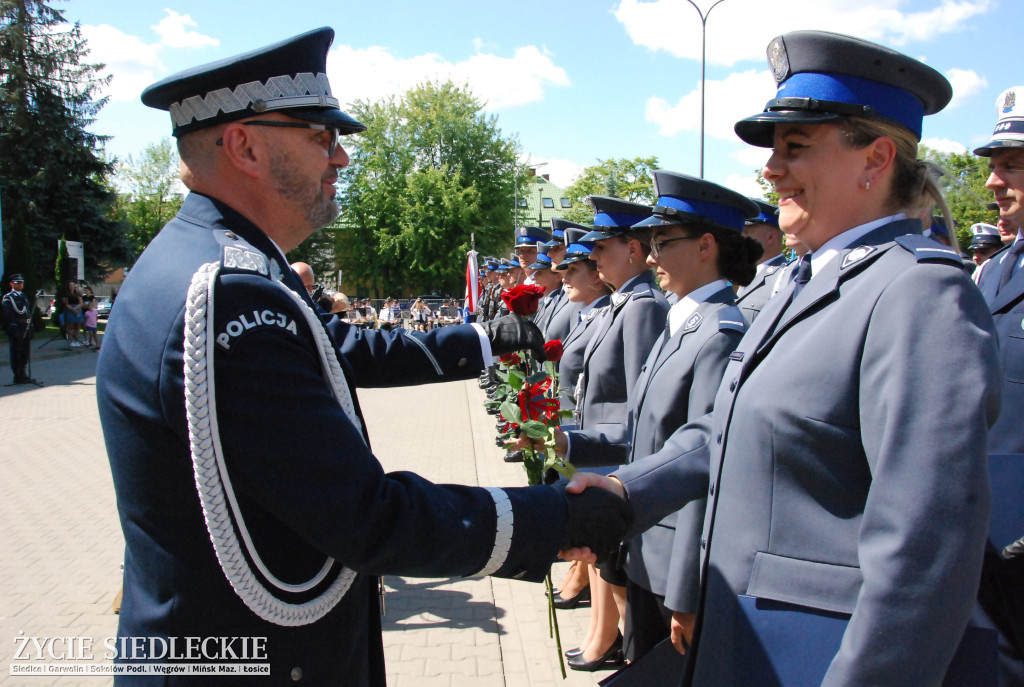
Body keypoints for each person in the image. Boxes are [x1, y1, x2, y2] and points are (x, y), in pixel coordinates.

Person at [96, 28, 630, 685]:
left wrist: (486, 339)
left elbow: (338, 349)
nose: (342, 157)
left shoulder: (220, 263)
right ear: (245, 145)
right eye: (321, 136)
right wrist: (559, 517)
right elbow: (367, 518)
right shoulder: (230, 292)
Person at [569, 30, 1001, 686]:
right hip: (747, 642)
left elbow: (924, 554)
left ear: (875, 159)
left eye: (795, 148)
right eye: (774, 152)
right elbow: (725, 429)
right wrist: (627, 488)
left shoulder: (919, 293)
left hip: (820, 657)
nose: (771, 170)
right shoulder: (808, 280)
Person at [554, 172, 760, 664]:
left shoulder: (719, 333)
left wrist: (687, 594)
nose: (650, 258)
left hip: (673, 566)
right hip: (647, 544)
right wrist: (572, 444)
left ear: (706, 245)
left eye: (663, 244)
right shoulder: (682, 322)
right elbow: (645, 430)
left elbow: (701, 464)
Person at [562, 195, 670, 672]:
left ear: (632, 249)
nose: (594, 257)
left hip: (616, 457)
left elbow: (638, 404)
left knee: (617, 566)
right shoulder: (620, 302)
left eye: (602, 247)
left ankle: (634, 659)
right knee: (603, 558)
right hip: (596, 450)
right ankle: (607, 641)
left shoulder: (643, 307)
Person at [973, 85, 1024, 686]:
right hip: (981, 543)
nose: (992, 181)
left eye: (1012, 164)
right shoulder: (997, 270)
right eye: (993, 165)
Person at [3, 273, 37, 384]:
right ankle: (17, 376)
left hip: (25, 327)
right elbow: (8, 314)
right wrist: (13, 326)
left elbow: (27, 312)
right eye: (17, 283)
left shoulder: (24, 296)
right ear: (11, 284)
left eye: (21, 282)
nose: (20, 284)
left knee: (25, 352)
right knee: (16, 352)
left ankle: (23, 373)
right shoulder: (8, 297)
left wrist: (31, 325)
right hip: (16, 327)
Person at [64, 282, 84, 347]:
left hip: (77, 308)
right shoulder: (67, 294)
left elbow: (81, 303)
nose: (71, 286)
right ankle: (71, 341)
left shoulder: (77, 294)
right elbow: (66, 304)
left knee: (77, 327)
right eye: (70, 285)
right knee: (70, 327)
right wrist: (72, 309)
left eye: (73, 285)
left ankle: (77, 340)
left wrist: (75, 308)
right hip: (70, 309)